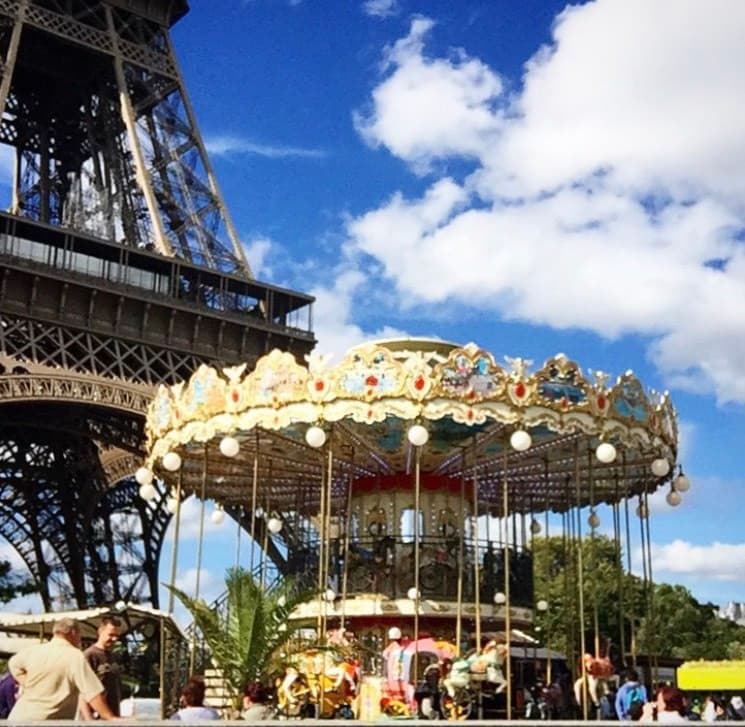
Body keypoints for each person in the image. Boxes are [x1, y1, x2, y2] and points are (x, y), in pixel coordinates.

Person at [7, 617, 118, 721]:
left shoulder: (32, 651)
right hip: (46, 720)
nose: (80, 639)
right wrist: (110, 717)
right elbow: (92, 693)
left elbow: (13, 664)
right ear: (74, 633)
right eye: (79, 635)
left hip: (18, 717)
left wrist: (27, 683)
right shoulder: (75, 656)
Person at [80, 616, 123, 719]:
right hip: (95, 717)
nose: (114, 639)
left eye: (117, 636)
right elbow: (82, 691)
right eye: (111, 635)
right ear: (100, 632)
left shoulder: (114, 656)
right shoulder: (90, 655)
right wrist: (89, 719)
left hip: (111, 716)